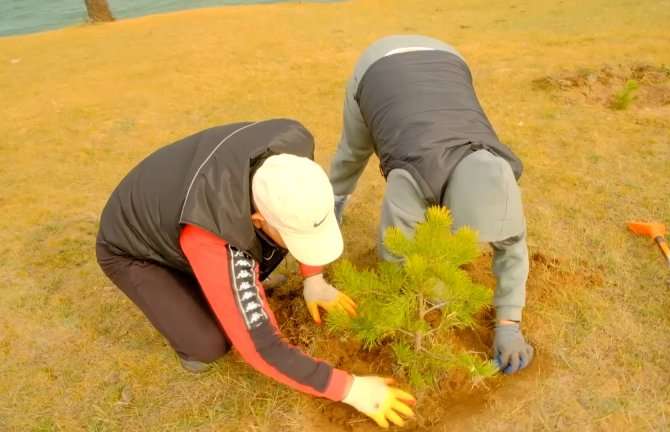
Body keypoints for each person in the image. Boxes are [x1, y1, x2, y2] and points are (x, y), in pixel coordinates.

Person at [96, 119, 415, 428]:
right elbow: (262, 348)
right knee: (208, 344)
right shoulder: (212, 232)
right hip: (133, 250)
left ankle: (202, 282)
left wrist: (314, 281)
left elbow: (301, 215)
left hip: (175, 197)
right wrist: (352, 390)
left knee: (258, 262)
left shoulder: (293, 156)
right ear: (257, 219)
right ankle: (184, 296)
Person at [329, 35, 534, 374]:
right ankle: (331, 207)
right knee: (352, 154)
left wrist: (509, 324)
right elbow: (395, 253)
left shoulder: (502, 172)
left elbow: (513, 246)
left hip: (447, 60)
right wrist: (439, 297)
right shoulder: (410, 177)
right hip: (378, 71)